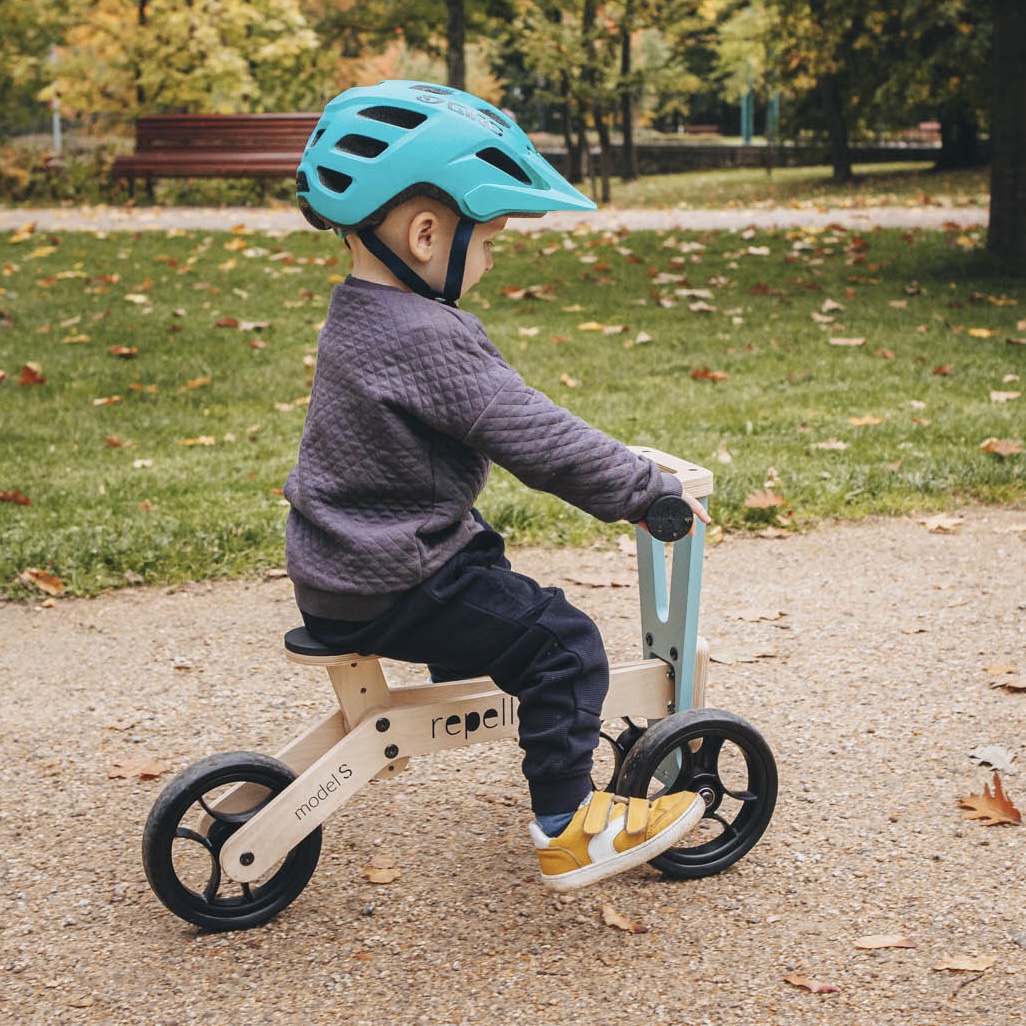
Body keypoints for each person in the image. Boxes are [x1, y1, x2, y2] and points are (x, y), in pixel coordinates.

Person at [286, 80, 711, 892]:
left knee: (496, 584)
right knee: (562, 644)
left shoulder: (358, 314)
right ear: (424, 234)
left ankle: (501, 709)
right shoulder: (426, 337)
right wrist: (643, 489)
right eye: (489, 242)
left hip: (343, 569)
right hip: (396, 579)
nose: (488, 258)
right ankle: (568, 827)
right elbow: (537, 437)